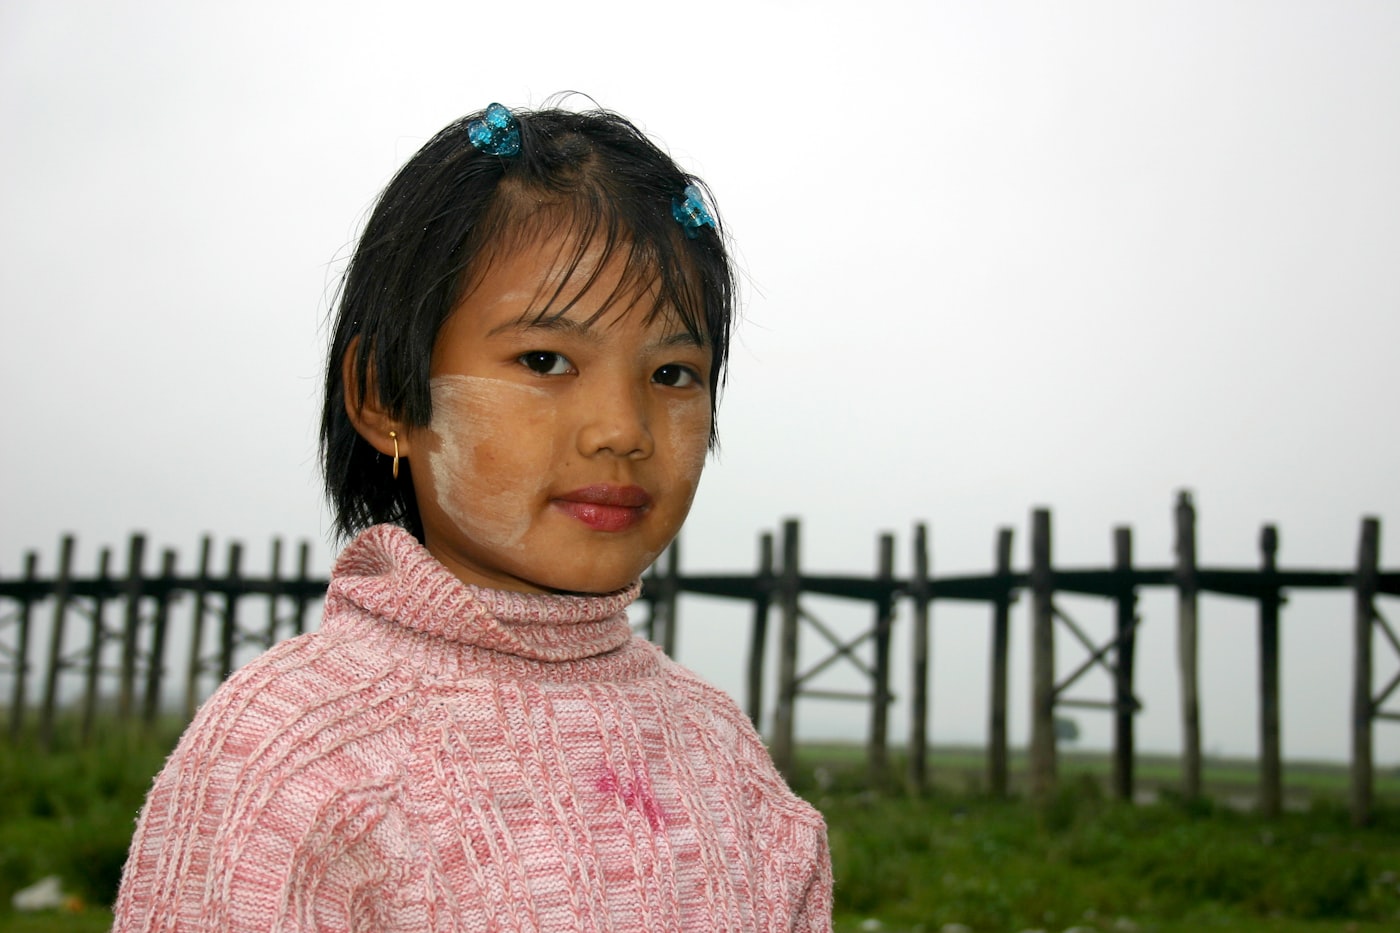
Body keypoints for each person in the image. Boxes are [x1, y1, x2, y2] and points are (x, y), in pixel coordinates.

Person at [112, 101, 833, 932]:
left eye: (672, 373)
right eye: (546, 360)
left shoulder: (725, 758)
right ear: (385, 395)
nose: (623, 431)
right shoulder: (291, 757)